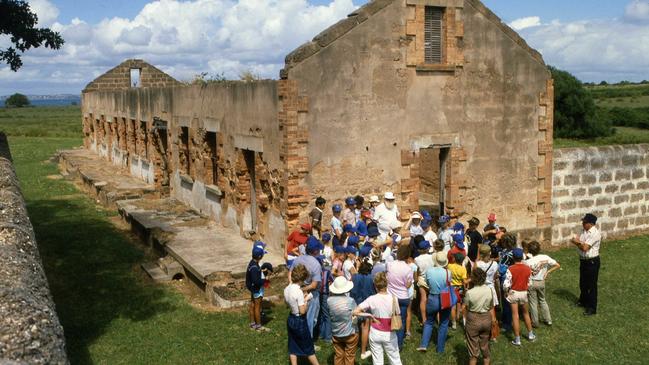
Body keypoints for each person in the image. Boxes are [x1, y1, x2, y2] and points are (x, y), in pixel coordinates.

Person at [353, 272, 403, 365]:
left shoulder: (371, 299)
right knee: (395, 359)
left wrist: (369, 315)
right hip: (389, 334)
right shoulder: (394, 298)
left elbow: (355, 311)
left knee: (377, 361)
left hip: (375, 333)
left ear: (375, 286)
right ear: (387, 284)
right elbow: (397, 313)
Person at [289, 237, 324, 338]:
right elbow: (314, 285)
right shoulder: (316, 264)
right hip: (312, 295)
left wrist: (294, 287)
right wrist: (303, 290)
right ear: (316, 251)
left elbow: (290, 273)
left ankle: (298, 339)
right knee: (310, 318)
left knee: (298, 315)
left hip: (298, 292)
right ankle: (308, 343)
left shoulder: (298, 259)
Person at [284, 264, 319, 365]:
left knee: (292, 344)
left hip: (291, 318)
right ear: (303, 279)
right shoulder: (299, 291)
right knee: (308, 346)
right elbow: (303, 311)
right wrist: (306, 300)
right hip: (299, 320)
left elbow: (287, 304)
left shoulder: (287, 289)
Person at [418, 252, 452, 353]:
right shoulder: (448, 272)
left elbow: (428, 284)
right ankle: (440, 349)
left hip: (432, 297)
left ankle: (424, 345)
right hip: (445, 298)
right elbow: (448, 284)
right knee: (443, 323)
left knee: (429, 322)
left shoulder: (429, 271)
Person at [463, 268, 495, 365]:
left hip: (473, 318)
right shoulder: (489, 290)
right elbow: (491, 305)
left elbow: (466, 306)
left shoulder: (470, 292)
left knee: (473, 350)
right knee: (485, 345)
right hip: (486, 318)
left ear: (473, 279)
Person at [571, 213, 601, 316]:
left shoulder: (595, 233)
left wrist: (577, 243)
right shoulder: (583, 231)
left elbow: (585, 248)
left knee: (591, 285)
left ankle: (592, 308)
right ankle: (583, 301)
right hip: (583, 260)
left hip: (592, 261)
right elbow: (579, 241)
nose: (582, 223)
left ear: (591, 224)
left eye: (585, 222)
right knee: (582, 283)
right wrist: (579, 242)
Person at [504, 248, 535, 346]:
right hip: (524, 293)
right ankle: (530, 334)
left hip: (513, 293)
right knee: (526, 313)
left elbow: (506, 284)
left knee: (515, 315)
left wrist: (506, 291)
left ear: (513, 257)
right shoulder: (527, 268)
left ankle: (517, 339)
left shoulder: (510, 269)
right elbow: (530, 283)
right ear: (522, 257)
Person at [525, 240, 560, 327]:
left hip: (531, 283)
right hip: (541, 282)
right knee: (542, 300)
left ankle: (535, 322)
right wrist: (547, 272)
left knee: (533, 303)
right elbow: (557, 265)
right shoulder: (545, 257)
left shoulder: (527, 262)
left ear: (529, 251)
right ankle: (548, 320)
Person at [386, 244, 413, 350]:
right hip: (403, 297)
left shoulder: (390, 265)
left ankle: (389, 343)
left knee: (389, 319)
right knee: (401, 321)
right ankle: (399, 345)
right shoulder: (408, 268)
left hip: (392, 297)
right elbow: (408, 285)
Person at [328, 276, 357, 365]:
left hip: (336, 332)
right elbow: (356, 314)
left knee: (338, 355)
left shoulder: (329, 301)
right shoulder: (350, 301)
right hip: (350, 333)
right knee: (350, 355)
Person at [351, 259, 376, 360]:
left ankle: (352, 347)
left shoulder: (355, 277)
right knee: (365, 328)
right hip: (367, 305)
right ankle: (363, 351)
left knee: (355, 326)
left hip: (356, 304)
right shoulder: (371, 278)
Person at [476, 244, 500, 340]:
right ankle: (493, 334)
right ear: (490, 253)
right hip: (490, 288)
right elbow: (495, 277)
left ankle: (480, 331)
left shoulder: (477, 264)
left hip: (480, 288)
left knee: (479, 311)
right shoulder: (494, 264)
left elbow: (475, 276)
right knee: (491, 311)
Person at [246, 243, 270, 332]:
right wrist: (265, 280)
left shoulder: (252, 263)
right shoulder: (255, 268)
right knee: (257, 306)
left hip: (252, 288)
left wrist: (261, 270)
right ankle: (259, 326)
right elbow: (256, 281)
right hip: (256, 288)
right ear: (260, 256)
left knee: (252, 305)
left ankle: (252, 324)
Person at [448, 252, 468, 329]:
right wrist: (470, 279)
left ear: (454, 259)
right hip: (460, 288)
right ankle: (460, 318)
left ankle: (454, 323)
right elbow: (464, 282)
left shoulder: (449, 266)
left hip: (451, 287)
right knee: (460, 303)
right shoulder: (463, 269)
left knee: (453, 306)